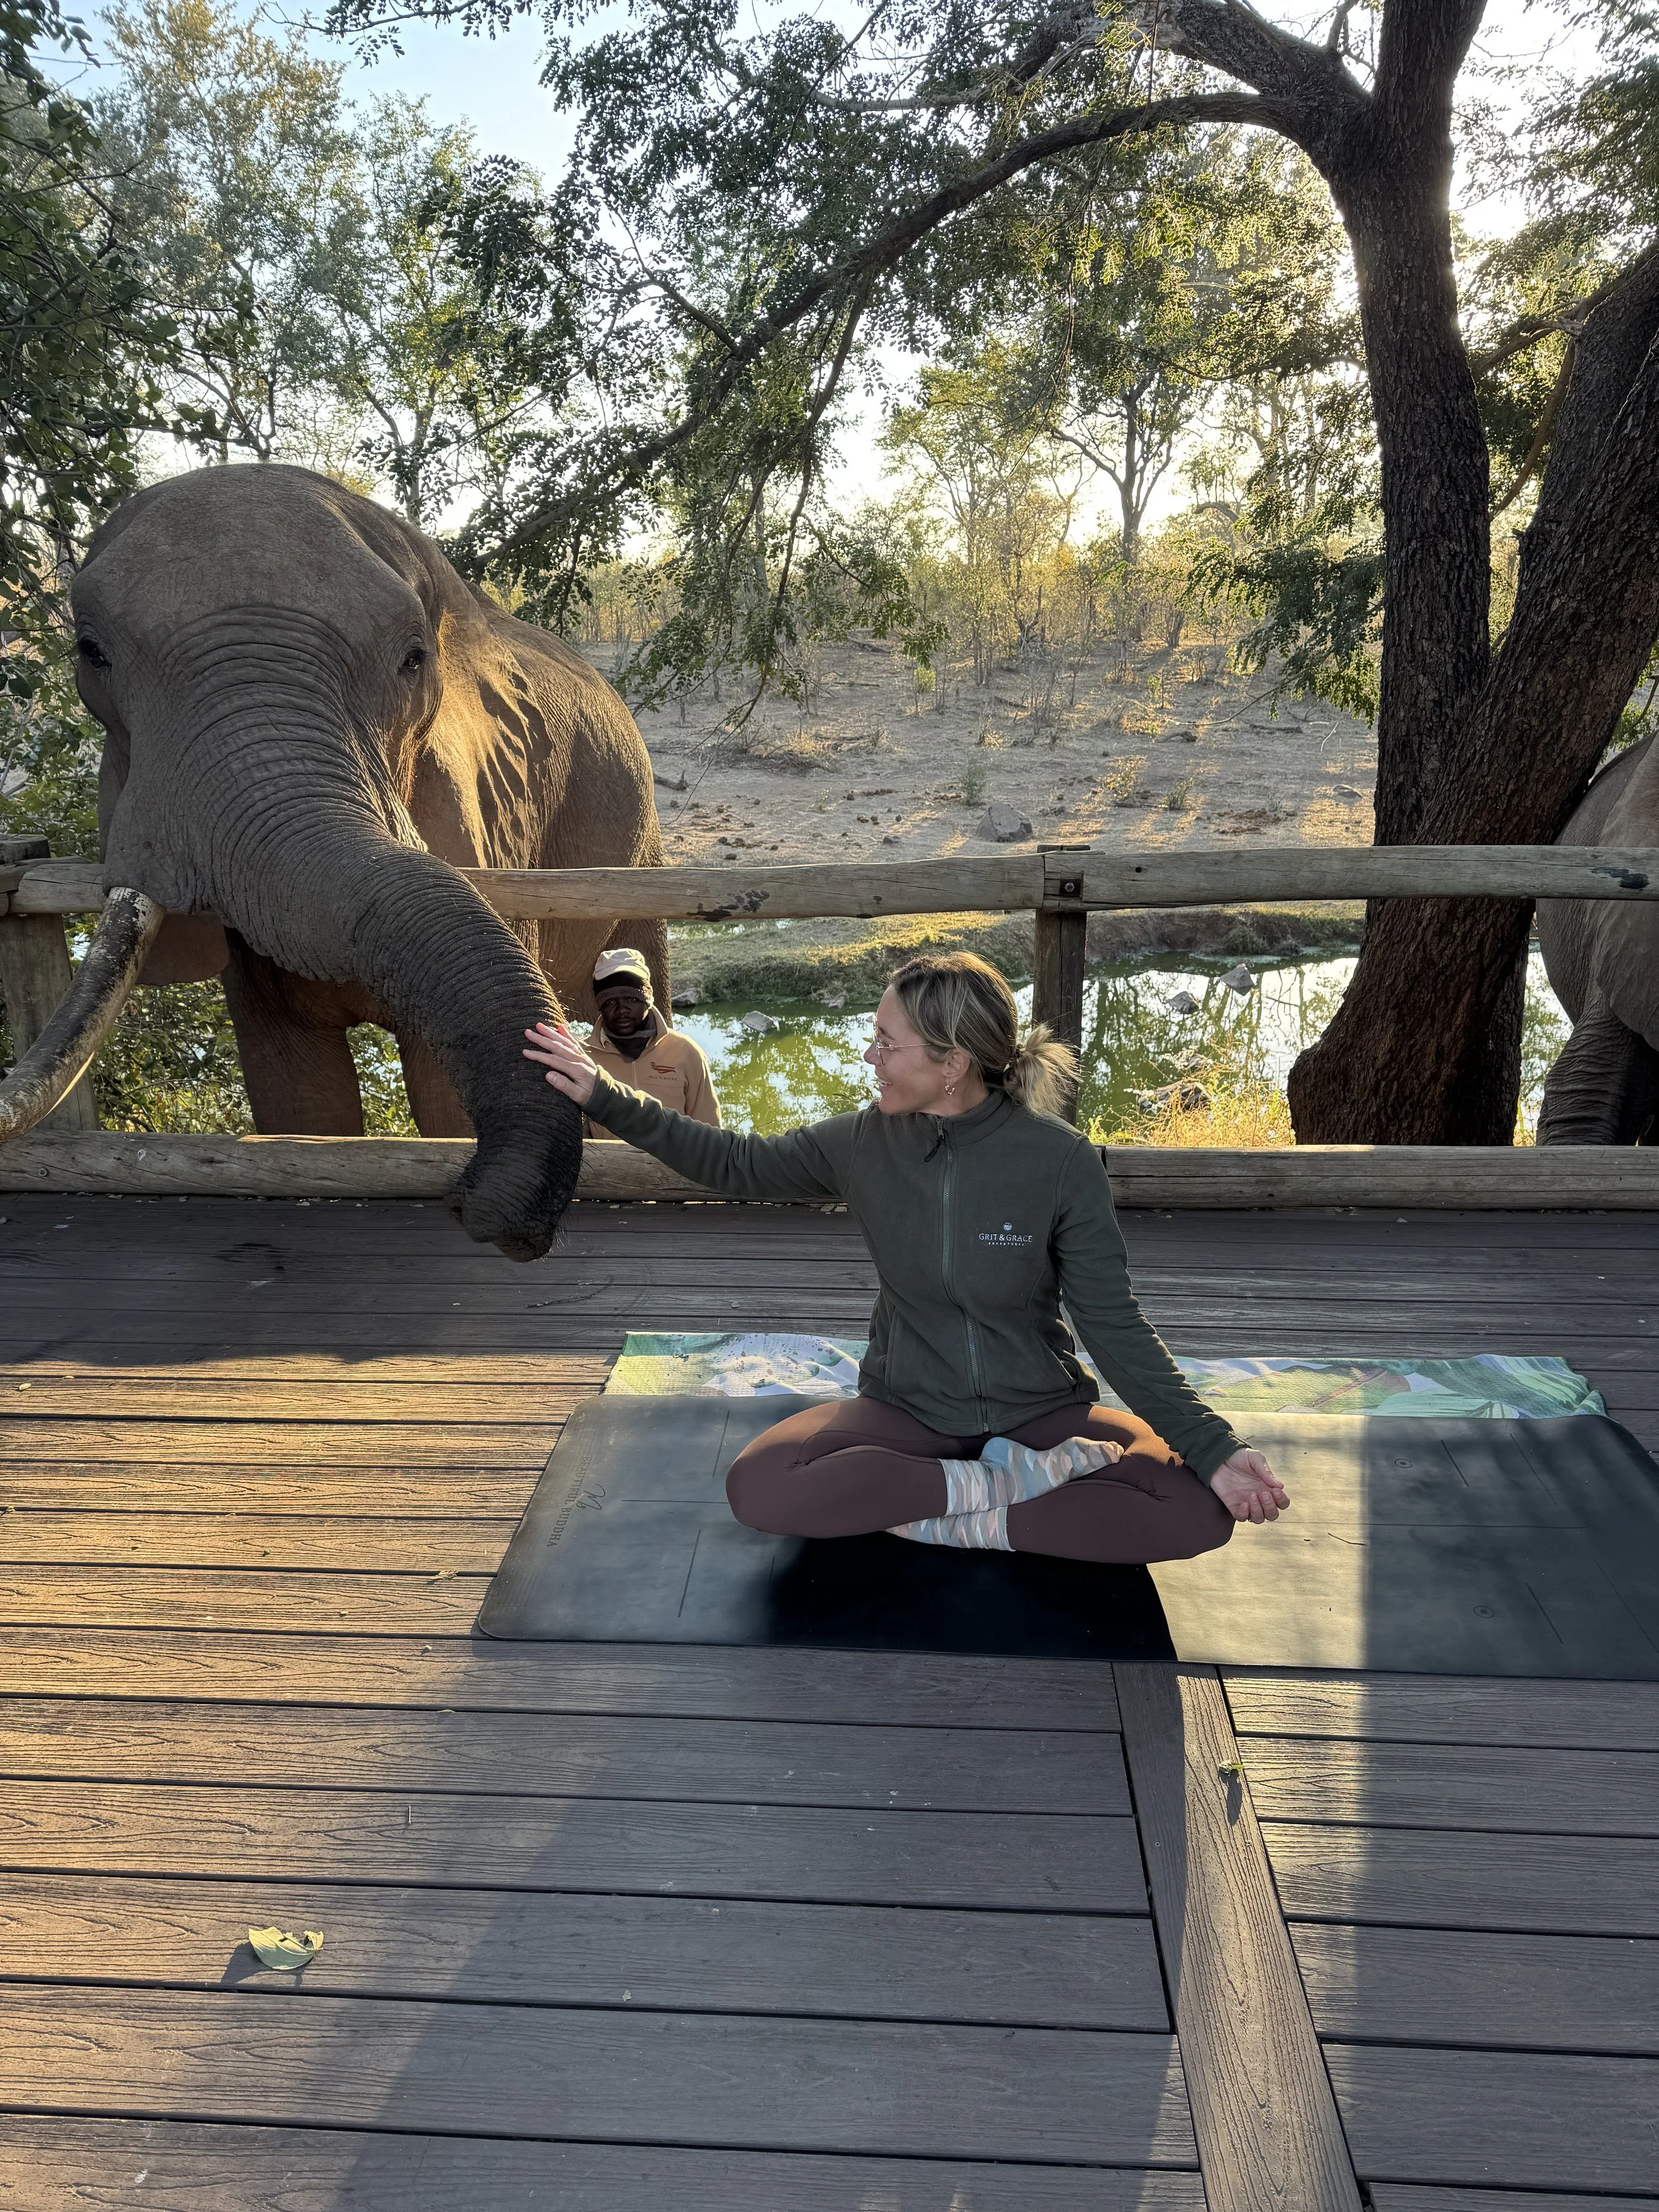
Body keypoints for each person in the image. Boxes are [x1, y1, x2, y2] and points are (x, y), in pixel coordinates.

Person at [524, 951, 1287, 1561]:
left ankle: (943, 1517)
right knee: (761, 1487)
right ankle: (981, 1497)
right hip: (908, 1409)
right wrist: (604, 1095)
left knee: (1194, 1509)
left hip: (1040, 1409)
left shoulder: (1058, 1161)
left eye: (888, 1043)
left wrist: (1213, 1446)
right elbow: (734, 1161)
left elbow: (1114, 1324)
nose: (870, 1055)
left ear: (951, 1062)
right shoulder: (863, 1143)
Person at [583, 946, 721, 1136]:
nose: (621, 1009)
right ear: (599, 1005)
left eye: (632, 998)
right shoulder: (582, 1057)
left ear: (648, 997)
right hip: (605, 1166)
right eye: (610, 1001)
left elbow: (710, 1134)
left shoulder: (687, 1053)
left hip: (674, 1167)